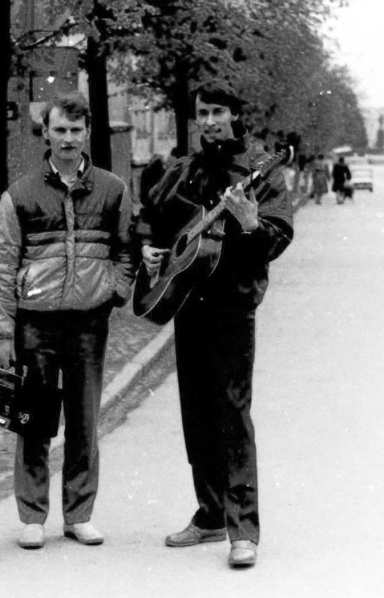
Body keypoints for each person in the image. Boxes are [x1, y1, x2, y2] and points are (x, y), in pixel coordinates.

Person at [135, 80, 293, 568]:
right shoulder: (183, 168)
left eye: (218, 112)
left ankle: (243, 529)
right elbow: (151, 216)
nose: (209, 121)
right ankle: (208, 515)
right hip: (188, 302)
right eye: (202, 113)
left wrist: (250, 223)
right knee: (197, 412)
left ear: (234, 115)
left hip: (233, 306)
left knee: (232, 414)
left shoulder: (260, 169)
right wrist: (149, 249)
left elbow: (278, 237)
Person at [0, 91, 136, 550]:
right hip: (36, 323)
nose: (68, 139)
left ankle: (79, 514)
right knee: (32, 420)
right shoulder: (21, 194)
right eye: (59, 130)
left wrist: (115, 290)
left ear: (87, 132)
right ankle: (32, 515)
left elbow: (125, 249)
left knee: (84, 420)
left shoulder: (113, 189)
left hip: (89, 323)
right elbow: (3, 264)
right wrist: (1, 331)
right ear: (45, 134)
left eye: (76, 130)